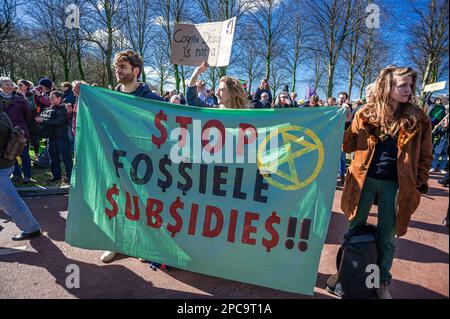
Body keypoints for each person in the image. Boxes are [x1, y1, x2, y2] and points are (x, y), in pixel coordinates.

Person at [328, 66, 433, 299]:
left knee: (387, 238)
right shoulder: (366, 113)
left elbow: (426, 155)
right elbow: (348, 146)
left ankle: (381, 283)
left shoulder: (419, 118)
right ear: (388, 86)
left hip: (395, 186)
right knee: (352, 230)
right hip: (362, 180)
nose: (408, 89)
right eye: (402, 85)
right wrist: (346, 122)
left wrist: (420, 182)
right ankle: (342, 274)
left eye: (410, 85)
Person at [100, 50, 163, 264]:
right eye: (116, 67)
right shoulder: (109, 97)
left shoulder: (153, 100)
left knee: (142, 203)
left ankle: (143, 244)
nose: (117, 71)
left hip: (144, 163)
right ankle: (115, 243)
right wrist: (83, 92)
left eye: (123, 67)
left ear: (136, 71)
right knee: (115, 201)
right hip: (116, 160)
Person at [0, 108, 41, 241]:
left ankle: (30, 228)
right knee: (7, 200)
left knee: (11, 201)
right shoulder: (3, 114)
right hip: (7, 163)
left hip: (1, 167)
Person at [35, 91, 73, 183]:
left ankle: (70, 176)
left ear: (59, 98)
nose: (51, 99)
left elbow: (59, 122)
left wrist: (43, 120)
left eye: (53, 98)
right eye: (50, 98)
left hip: (62, 137)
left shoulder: (64, 108)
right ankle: (56, 175)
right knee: (53, 157)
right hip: (51, 137)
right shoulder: (51, 107)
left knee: (66, 158)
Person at [0, 77, 32, 183]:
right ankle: (16, 174)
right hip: (4, 132)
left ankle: (27, 175)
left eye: (11, 84)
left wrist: (21, 125)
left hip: (19, 130)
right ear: (1, 86)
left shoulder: (20, 99)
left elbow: (28, 115)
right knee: (9, 153)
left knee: (24, 154)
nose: (9, 86)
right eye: (6, 84)